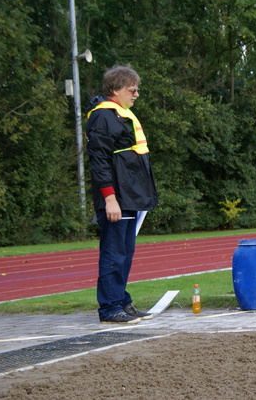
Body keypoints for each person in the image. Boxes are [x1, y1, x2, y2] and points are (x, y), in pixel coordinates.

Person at [86, 65, 159, 324]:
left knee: (125, 252)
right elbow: (99, 161)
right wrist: (109, 198)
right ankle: (109, 308)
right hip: (116, 198)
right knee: (114, 253)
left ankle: (121, 301)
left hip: (129, 196)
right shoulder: (103, 117)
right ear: (115, 90)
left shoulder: (119, 115)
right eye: (132, 90)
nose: (136, 94)